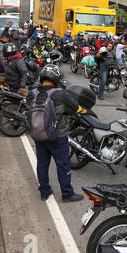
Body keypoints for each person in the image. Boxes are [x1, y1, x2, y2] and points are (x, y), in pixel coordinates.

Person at [26, 65, 84, 202]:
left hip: (39, 135)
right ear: (56, 78)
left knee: (42, 164)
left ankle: (44, 191)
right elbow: (74, 108)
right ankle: (67, 194)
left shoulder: (32, 93)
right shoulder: (61, 94)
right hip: (58, 136)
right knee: (63, 165)